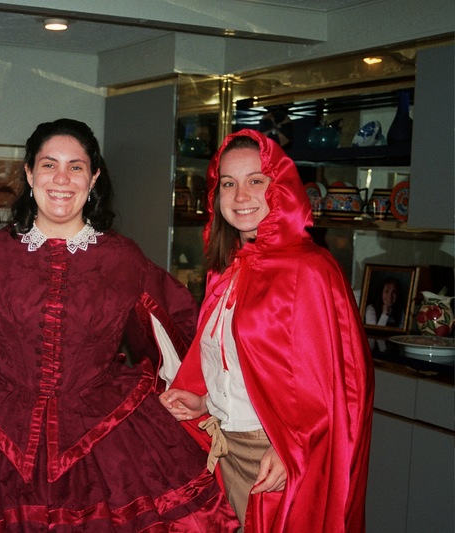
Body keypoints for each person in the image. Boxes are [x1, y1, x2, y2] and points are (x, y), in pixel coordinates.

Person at [0, 118, 239, 531]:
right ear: (29, 174)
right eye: (48, 165)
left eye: (76, 167)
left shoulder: (123, 259)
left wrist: (196, 393)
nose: (61, 179)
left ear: (93, 178)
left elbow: (177, 330)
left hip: (107, 434)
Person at [160, 129, 374, 532]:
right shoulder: (228, 269)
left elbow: (333, 383)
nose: (241, 195)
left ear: (281, 187)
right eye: (228, 183)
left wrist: (289, 445)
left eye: (256, 180)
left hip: (273, 457)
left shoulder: (309, 268)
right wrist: (205, 402)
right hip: (224, 446)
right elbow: (249, 367)